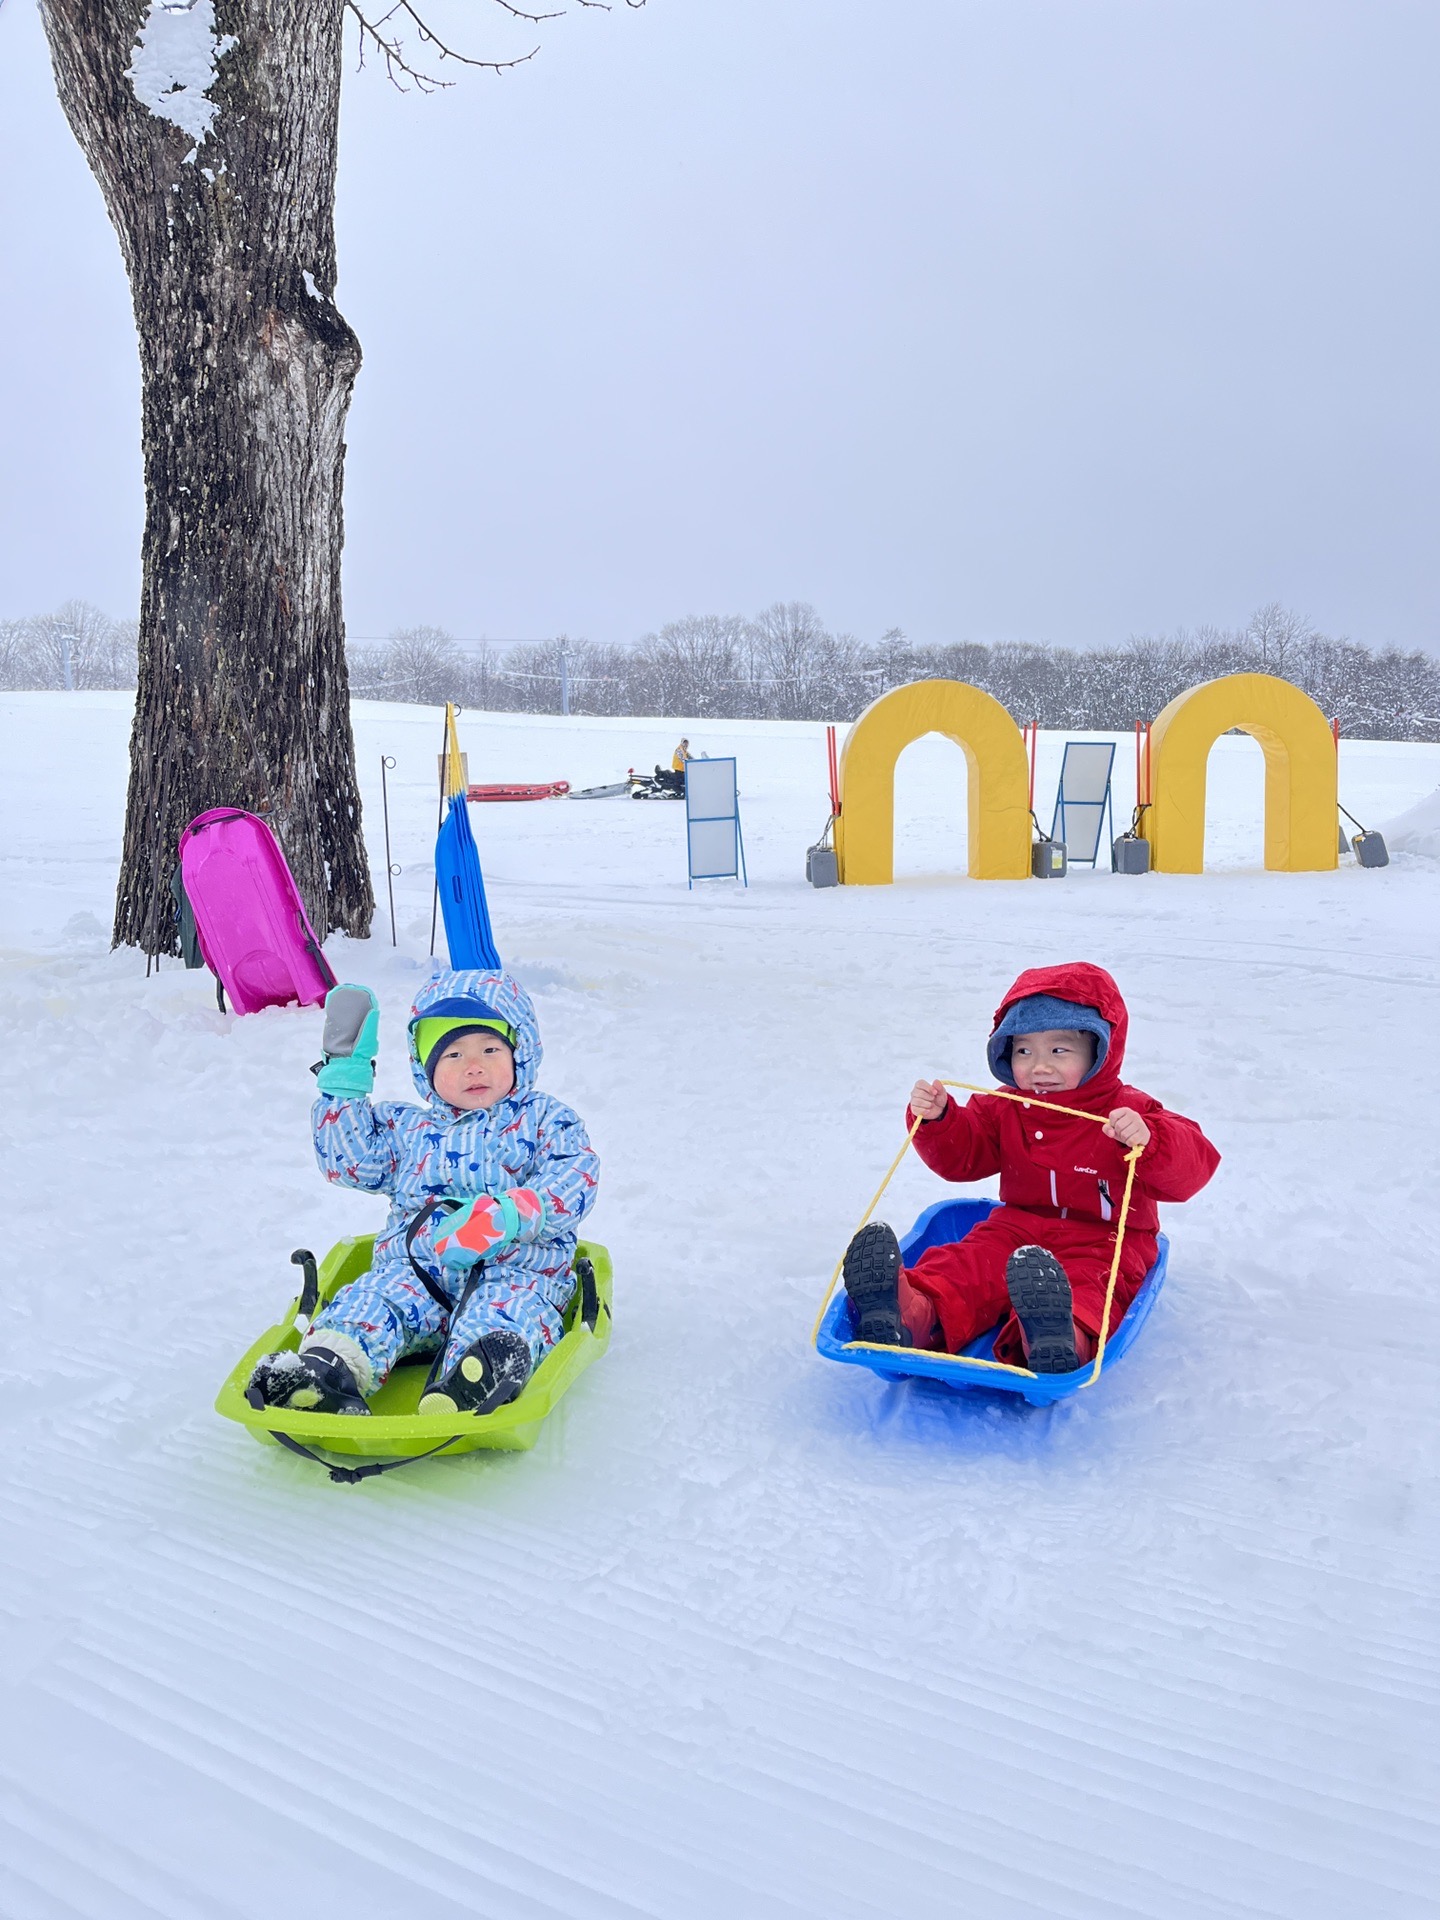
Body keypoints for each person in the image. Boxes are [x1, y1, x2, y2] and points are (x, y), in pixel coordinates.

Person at [249, 968, 599, 1417]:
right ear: (425, 1068)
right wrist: (344, 1086)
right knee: (374, 1299)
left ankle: (475, 1377)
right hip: (418, 1271)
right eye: (452, 1055)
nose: (473, 1066)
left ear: (521, 1054)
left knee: (508, 1313)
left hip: (515, 1272)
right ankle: (325, 1371)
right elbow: (349, 1163)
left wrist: (512, 1214)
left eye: (490, 1049)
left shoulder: (545, 1120)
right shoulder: (407, 1127)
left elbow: (575, 1177)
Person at [841, 963, 1219, 1373]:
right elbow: (964, 1155)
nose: (1040, 1067)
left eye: (1059, 1050)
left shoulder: (1129, 1112)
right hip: (1016, 1225)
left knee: (1091, 1285)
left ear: (1100, 1051)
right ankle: (907, 1313)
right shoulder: (1005, 1105)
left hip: (1106, 1237)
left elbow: (1192, 1168)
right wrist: (939, 1120)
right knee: (969, 1264)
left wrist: (1152, 1140)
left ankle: (1057, 1335)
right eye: (1024, 1051)